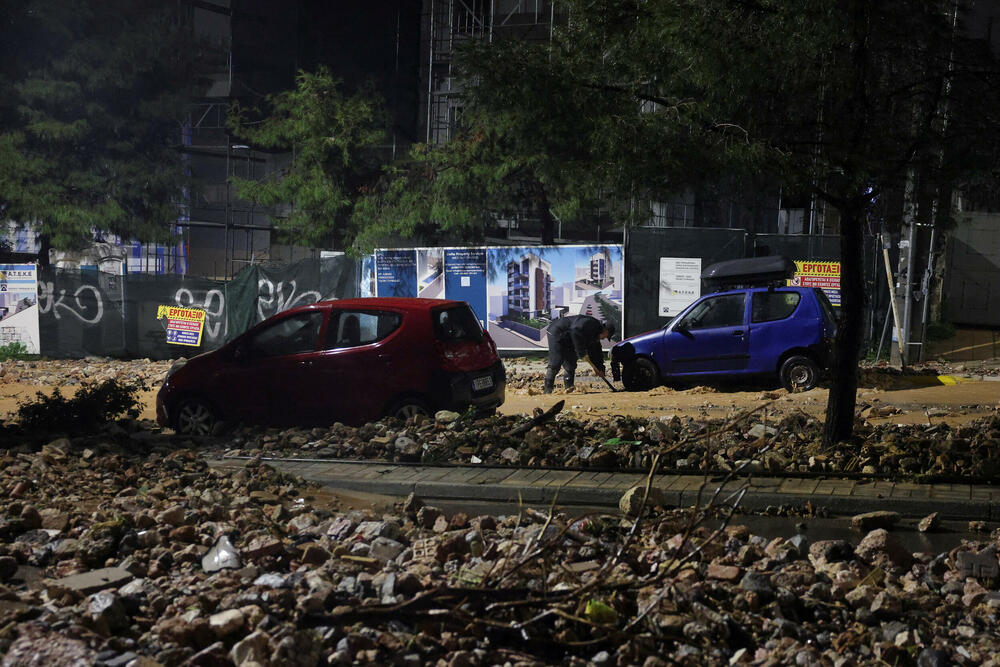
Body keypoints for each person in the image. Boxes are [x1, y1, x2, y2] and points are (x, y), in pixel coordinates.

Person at [544, 315, 614, 394]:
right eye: (606, 336)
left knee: (571, 364)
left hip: (569, 339)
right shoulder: (592, 323)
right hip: (557, 331)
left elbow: (596, 352)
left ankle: (569, 389)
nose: (604, 338)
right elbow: (575, 330)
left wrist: (599, 368)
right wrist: (581, 352)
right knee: (556, 361)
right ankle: (547, 390)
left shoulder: (595, 337)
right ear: (606, 331)